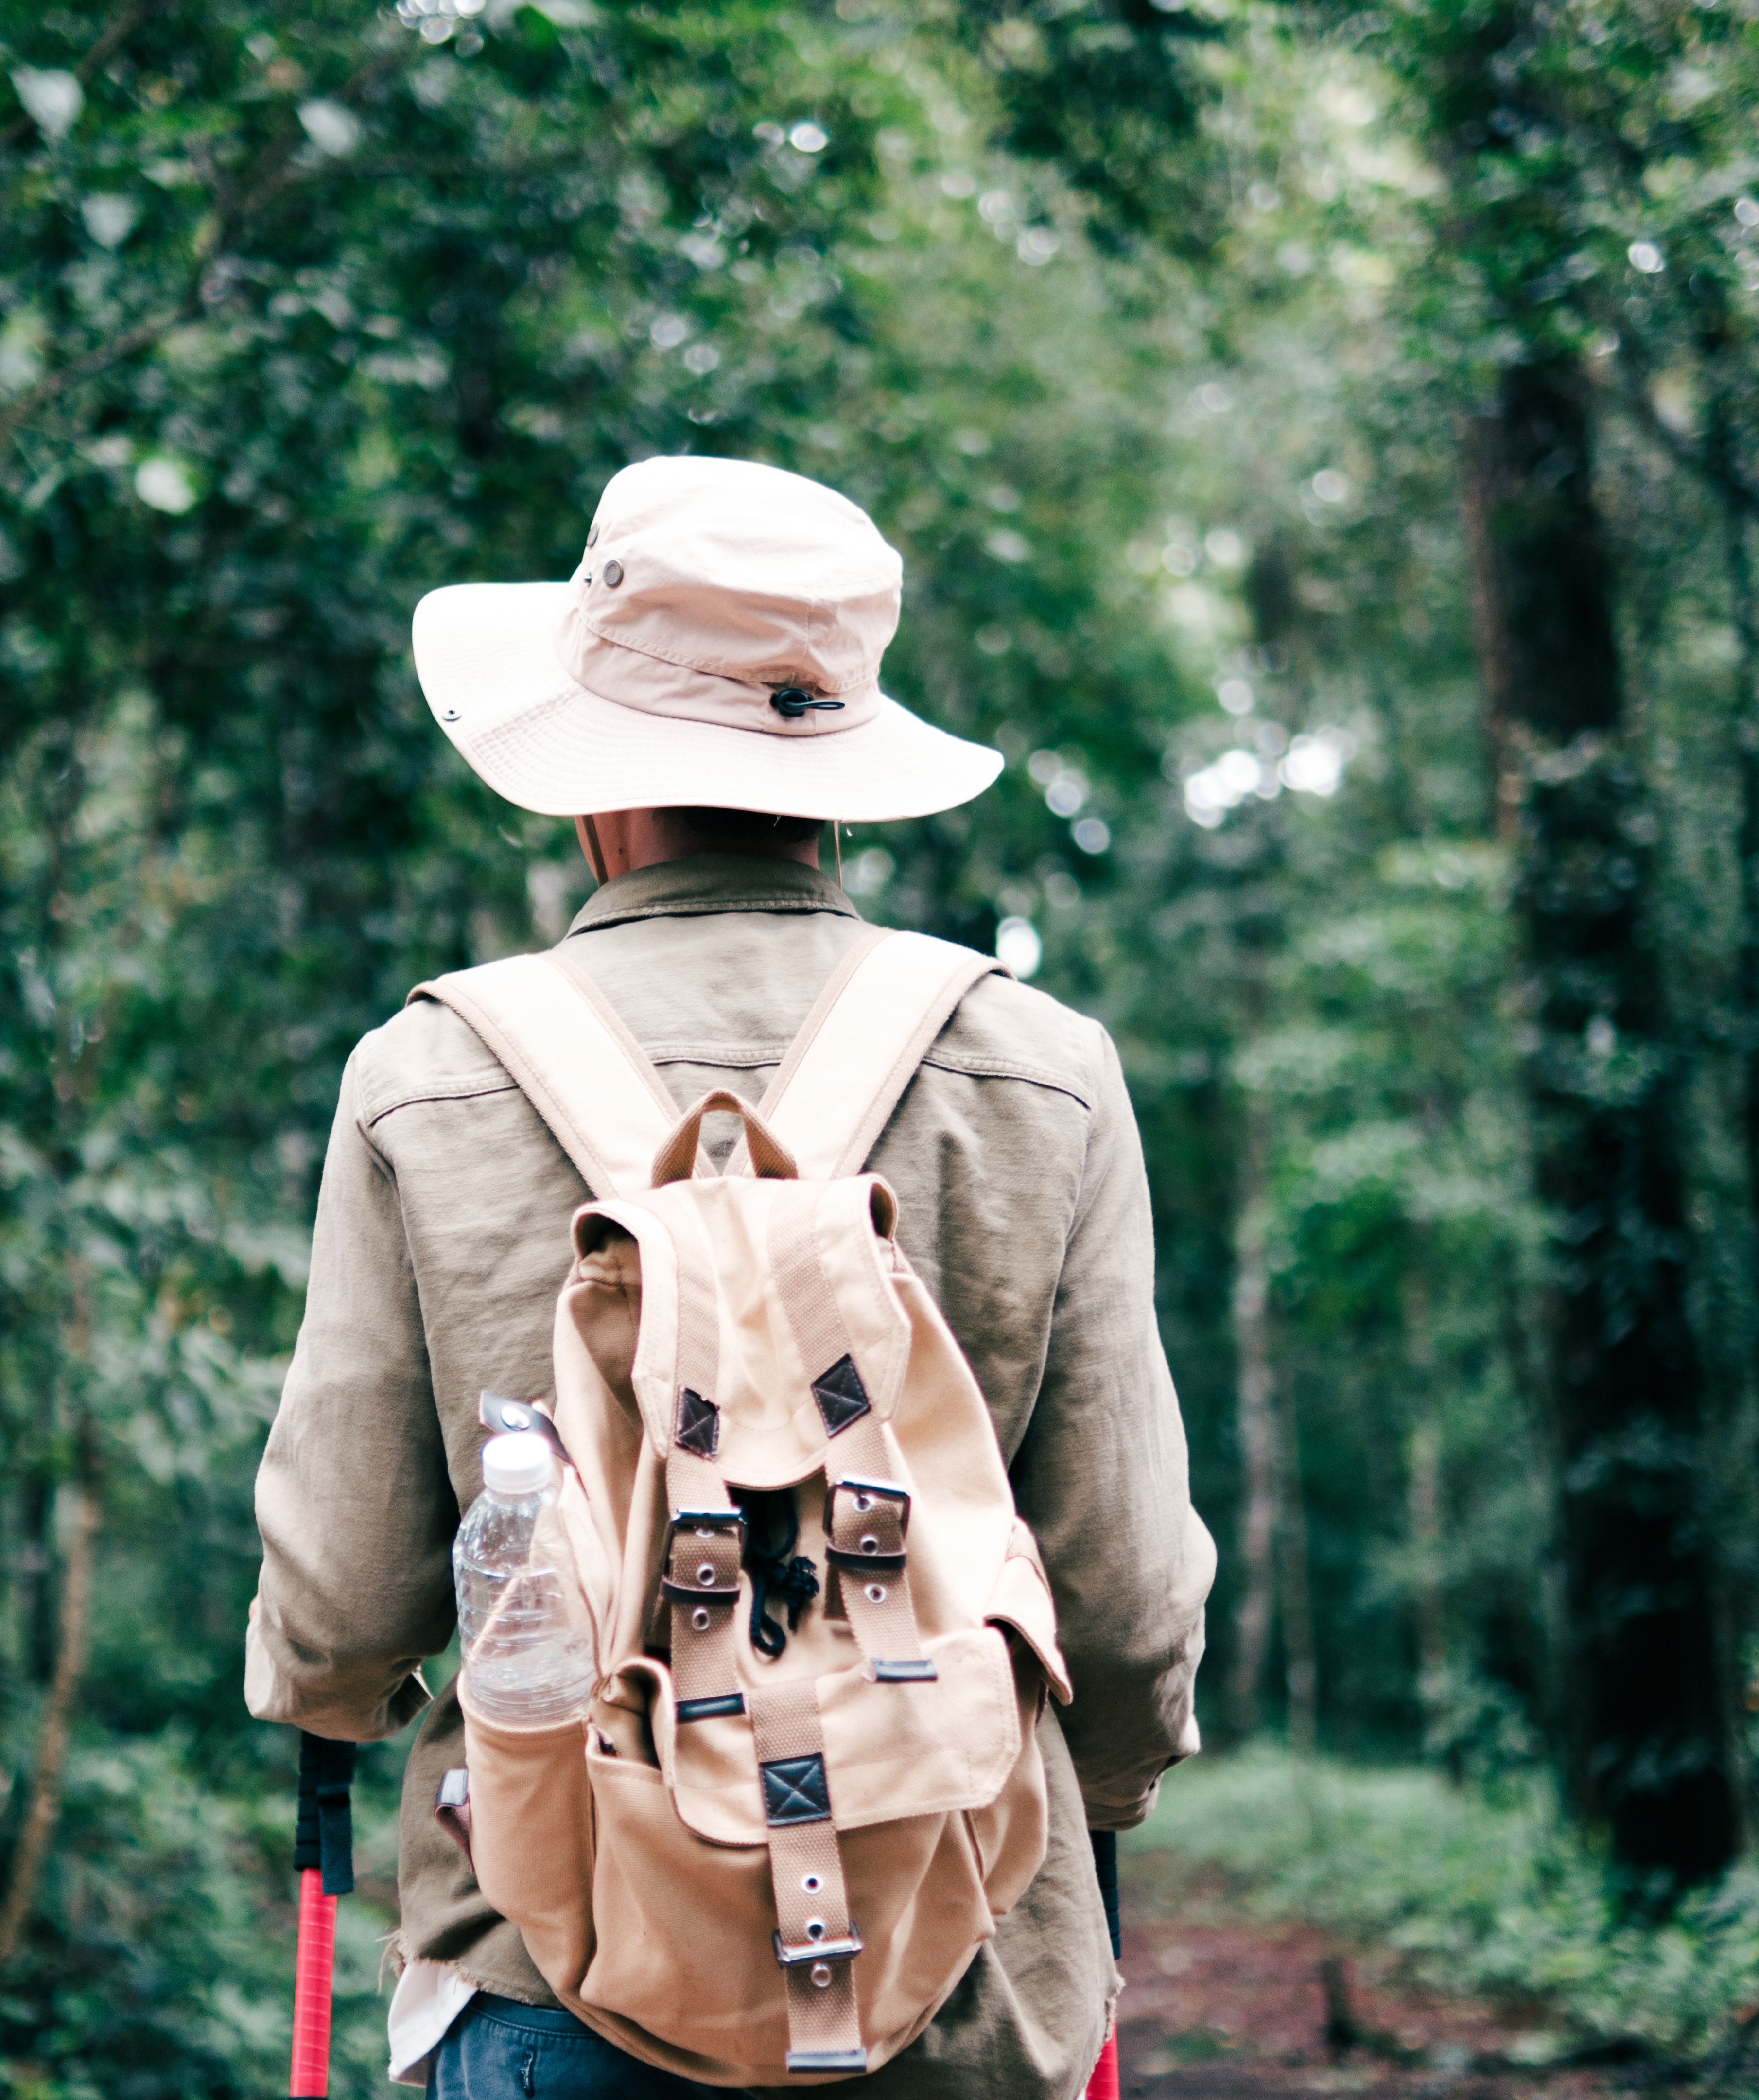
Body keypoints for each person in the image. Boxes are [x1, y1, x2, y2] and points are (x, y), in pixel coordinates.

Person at [245, 455, 1213, 2100]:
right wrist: (1091, 1796)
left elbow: (341, 1611)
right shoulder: (1042, 1075)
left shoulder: (425, 1079)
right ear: (841, 771)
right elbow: (1120, 1607)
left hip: (553, 1957)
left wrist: (339, 1710)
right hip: (958, 1965)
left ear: (589, 774)